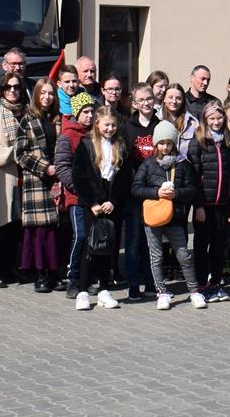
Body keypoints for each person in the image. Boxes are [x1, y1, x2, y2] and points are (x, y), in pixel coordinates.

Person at [135, 120, 203, 310]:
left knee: (184, 256)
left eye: (169, 143)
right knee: (156, 257)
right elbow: (136, 188)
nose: (165, 147)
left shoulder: (183, 164)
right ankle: (162, 292)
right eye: (162, 143)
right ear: (156, 144)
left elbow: (192, 189)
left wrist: (177, 194)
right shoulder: (148, 164)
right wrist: (156, 192)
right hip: (153, 218)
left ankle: (194, 291)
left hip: (176, 217)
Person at [67, 106, 127, 310]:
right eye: (106, 125)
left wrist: (114, 201)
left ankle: (104, 290)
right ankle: (82, 291)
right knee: (90, 246)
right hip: (92, 203)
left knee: (108, 247)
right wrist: (92, 202)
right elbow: (79, 176)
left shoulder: (120, 145)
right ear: (97, 123)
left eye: (113, 125)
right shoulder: (86, 144)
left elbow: (125, 177)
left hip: (111, 203)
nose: (110, 128)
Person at [0, 70, 34, 296]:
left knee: (18, 226)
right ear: (2, 90)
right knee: (2, 225)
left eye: (16, 87)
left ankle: (10, 268)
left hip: (26, 176)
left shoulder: (28, 112)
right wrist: (13, 153)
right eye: (8, 87)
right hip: (4, 174)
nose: (12, 90)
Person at [188, 100, 230, 302]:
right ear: (205, 119)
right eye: (212, 118)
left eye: (219, 118)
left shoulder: (226, 142)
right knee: (201, 246)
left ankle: (216, 284)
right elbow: (194, 176)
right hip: (204, 205)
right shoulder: (198, 141)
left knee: (219, 246)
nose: (216, 122)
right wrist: (198, 205)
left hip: (223, 204)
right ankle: (201, 284)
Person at [19, 79, 63, 291]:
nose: (47, 97)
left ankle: (55, 272)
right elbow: (21, 154)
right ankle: (40, 274)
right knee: (39, 231)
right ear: (36, 95)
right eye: (43, 93)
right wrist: (45, 167)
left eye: (51, 93)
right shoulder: (27, 119)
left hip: (58, 178)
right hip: (37, 180)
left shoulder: (58, 119)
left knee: (55, 228)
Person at [54, 93, 97, 295]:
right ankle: (73, 279)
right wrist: (79, 188)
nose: (90, 116)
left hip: (95, 197)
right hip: (77, 197)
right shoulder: (67, 136)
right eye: (85, 112)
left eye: (92, 111)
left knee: (92, 238)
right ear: (76, 113)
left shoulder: (96, 134)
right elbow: (62, 167)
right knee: (80, 236)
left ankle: (88, 278)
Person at [121, 83, 161, 300]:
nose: (146, 103)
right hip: (133, 193)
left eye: (149, 99)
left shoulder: (161, 125)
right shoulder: (127, 128)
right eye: (141, 100)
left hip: (155, 192)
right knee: (134, 240)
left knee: (152, 241)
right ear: (134, 103)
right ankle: (134, 284)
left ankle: (152, 283)